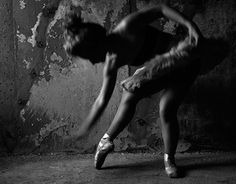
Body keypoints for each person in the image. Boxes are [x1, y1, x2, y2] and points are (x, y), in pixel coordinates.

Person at [37, 2, 202, 178]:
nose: (93, 62)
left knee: (166, 109)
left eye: (91, 56)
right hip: (158, 70)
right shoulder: (111, 62)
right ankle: (105, 141)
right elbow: (102, 99)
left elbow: (160, 9)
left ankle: (169, 160)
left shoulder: (128, 26)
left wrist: (190, 25)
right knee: (130, 94)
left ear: (98, 43)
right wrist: (85, 128)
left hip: (185, 61)